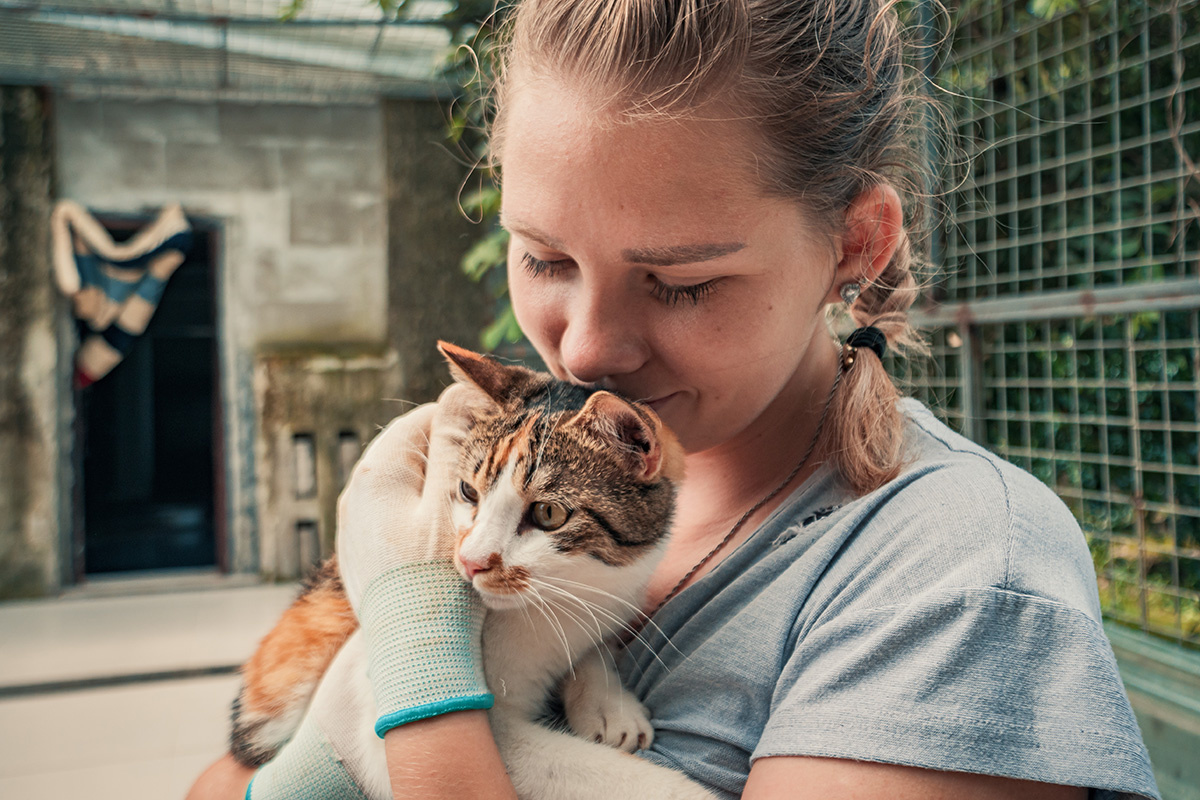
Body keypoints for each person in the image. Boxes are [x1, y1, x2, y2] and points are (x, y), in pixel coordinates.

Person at [189, 1, 1160, 798]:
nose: (585, 344)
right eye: (544, 257)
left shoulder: (953, 576)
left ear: (857, 244)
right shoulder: (528, 464)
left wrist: (413, 638)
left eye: (682, 282)